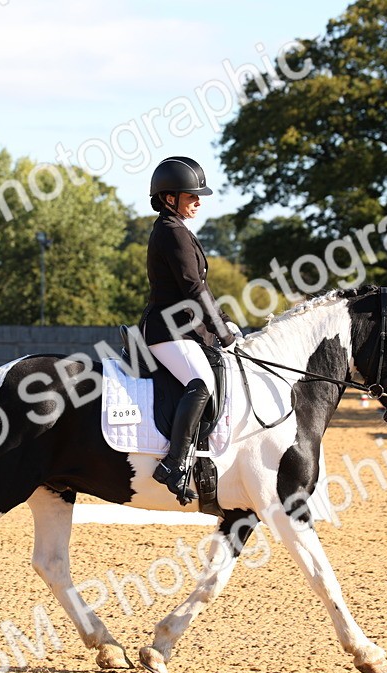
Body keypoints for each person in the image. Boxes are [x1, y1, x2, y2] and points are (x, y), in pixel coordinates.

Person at [139, 156, 238, 505]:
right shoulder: (170, 231)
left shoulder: (178, 228)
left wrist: (224, 323)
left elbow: (202, 289)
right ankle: (175, 464)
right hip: (166, 330)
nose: (199, 201)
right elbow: (193, 288)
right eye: (191, 195)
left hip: (182, 328)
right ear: (169, 198)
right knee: (201, 383)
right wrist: (222, 335)